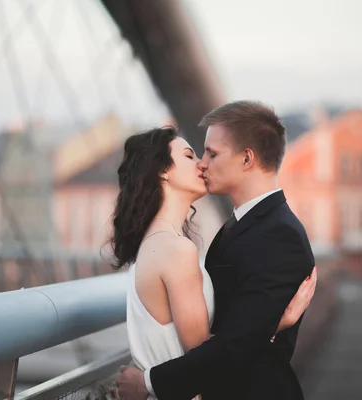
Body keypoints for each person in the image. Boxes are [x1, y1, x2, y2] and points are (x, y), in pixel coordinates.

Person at [115, 101, 317, 400]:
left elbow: (235, 343)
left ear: (247, 159)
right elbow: (230, 337)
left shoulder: (279, 234)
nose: (202, 163)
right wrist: (272, 325)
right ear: (162, 173)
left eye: (211, 153)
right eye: (195, 154)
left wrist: (147, 383)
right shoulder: (223, 233)